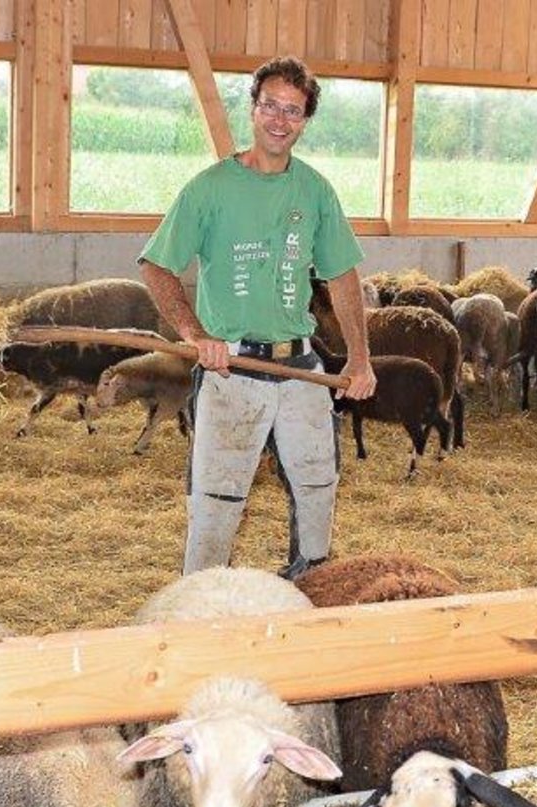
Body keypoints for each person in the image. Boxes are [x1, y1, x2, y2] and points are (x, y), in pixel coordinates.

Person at [138, 55, 376, 579]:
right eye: (270, 106)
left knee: (318, 490)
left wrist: (360, 358)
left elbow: (343, 276)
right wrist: (195, 334)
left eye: (293, 111)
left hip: (301, 370)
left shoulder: (314, 191)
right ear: (253, 107)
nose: (279, 120)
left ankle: (309, 589)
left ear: (305, 121)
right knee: (217, 503)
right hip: (231, 372)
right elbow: (157, 265)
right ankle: (202, 606)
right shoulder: (211, 188)